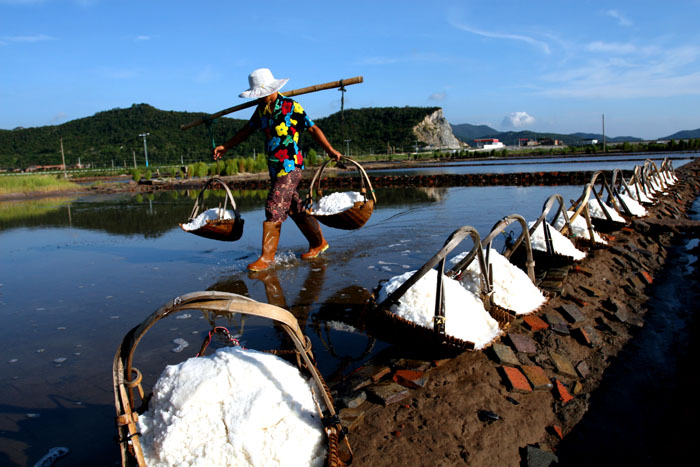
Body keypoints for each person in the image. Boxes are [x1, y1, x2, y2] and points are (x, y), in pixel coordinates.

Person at [213, 68, 343, 271]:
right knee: (293, 207)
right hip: (274, 166)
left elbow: (312, 128)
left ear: (270, 89)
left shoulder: (291, 106)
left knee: (273, 206)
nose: (259, 98)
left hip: (291, 165)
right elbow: (246, 130)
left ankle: (267, 258)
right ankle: (319, 243)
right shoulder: (261, 110)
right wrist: (226, 146)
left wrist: (330, 150)